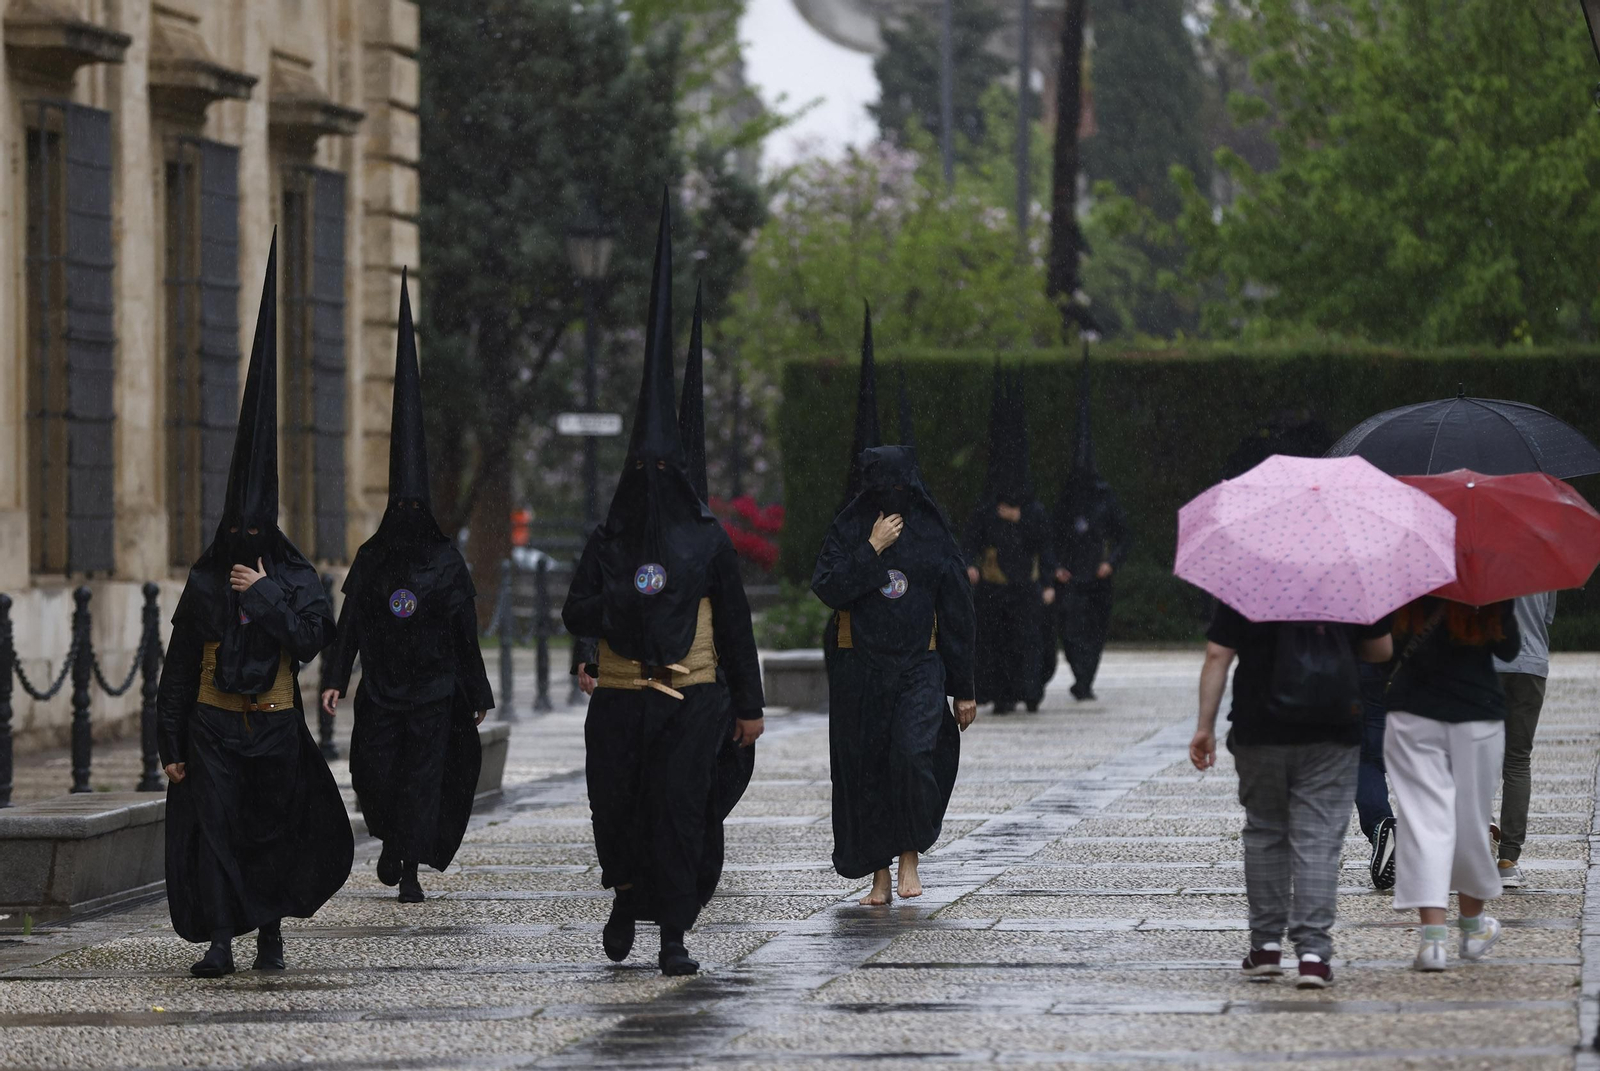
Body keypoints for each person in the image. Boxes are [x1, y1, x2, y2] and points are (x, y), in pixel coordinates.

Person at [561, 195, 765, 977]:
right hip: (619, 703)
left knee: (680, 817)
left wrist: (747, 705)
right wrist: (613, 613)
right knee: (619, 815)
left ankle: (674, 931)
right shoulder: (608, 539)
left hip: (693, 702)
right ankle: (624, 894)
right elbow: (577, 609)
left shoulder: (707, 540)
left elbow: (737, 623)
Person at [157, 236, 351, 978]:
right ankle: (219, 941)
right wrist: (167, 736)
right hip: (210, 725)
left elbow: (309, 636)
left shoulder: (295, 576)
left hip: (271, 724)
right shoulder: (205, 581)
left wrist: (263, 594)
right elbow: (179, 664)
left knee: (269, 830)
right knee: (214, 829)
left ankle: (269, 933)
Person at [320, 272, 494, 904]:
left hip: (432, 692)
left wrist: (474, 692)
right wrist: (336, 676)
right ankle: (390, 835)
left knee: (423, 778)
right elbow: (354, 623)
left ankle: (411, 863)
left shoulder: (447, 564)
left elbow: (462, 632)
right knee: (372, 769)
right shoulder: (373, 557)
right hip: (385, 688)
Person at [1190, 604, 1393, 990]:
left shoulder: (1249, 576)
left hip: (1259, 724)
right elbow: (1381, 651)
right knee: (1317, 837)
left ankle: (1265, 947)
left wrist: (1205, 726)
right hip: (1332, 724)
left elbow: (1218, 654)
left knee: (1265, 830)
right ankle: (1314, 955)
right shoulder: (1350, 576)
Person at [814, 445, 978, 904]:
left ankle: (910, 856)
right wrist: (872, 548)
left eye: (901, 489)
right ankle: (879, 877)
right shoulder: (849, 528)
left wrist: (963, 688)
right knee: (866, 770)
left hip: (919, 666)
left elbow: (958, 612)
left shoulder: (931, 533)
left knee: (911, 755)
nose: (893, 497)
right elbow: (829, 587)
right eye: (884, 489)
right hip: (859, 669)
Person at [1384, 597, 1520, 971]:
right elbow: (1509, 649)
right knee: (1471, 820)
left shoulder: (1407, 575)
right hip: (1476, 712)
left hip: (1412, 713)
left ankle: (1432, 942)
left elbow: (1382, 650)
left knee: (1423, 821)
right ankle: (1473, 928)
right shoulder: (1486, 579)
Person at [964, 366, 1056, 713]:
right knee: (995, 643)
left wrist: (1048, 581)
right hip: (993, 587)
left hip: (1026, 587)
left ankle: (1029, 691)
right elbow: (969, 542)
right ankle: (1002, 695)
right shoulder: (985, 510)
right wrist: (970, 566)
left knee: (1028, 643)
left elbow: (1045, 546)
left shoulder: (1034, 511)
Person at [1052, 347, 1129, 701]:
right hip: (1070, 574)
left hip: (1096, 577)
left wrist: (1109, 563)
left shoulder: (1105, 498)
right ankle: (1079, 674)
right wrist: (1055, 566)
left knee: (1095, 629)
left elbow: (1124, 536)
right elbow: (1049, 535)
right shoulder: (1065, 499)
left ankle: (1086, 679)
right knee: (1070, 629)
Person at [1491, 592, 1556, 889]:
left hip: (1485, 664)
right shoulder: (1543, 558)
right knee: (1517, 761)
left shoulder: (1480, 551)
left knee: (1476, 758)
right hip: (1530, 664)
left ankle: (1473, 850)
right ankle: (1508, 860)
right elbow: (1546, 617)